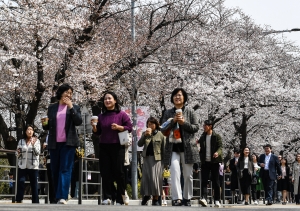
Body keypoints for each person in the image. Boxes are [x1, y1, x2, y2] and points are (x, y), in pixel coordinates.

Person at [42, 83, 82, 204]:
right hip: (54, 143)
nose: (69, 95)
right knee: (54, 170)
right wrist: (45, 124)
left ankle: (62, 196)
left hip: (68, 143)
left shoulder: (75, 107)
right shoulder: (52, 108)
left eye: (71, 93)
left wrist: (71, 107)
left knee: (65, 169)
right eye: (67, 92)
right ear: (61, 93)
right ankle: (56, 196)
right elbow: (48, 127)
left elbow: (78, 121)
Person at [91, 91, 132, 205]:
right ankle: (108, 197)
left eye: (109, 98)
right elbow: (98, 132)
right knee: (105, 172)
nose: (107, 101)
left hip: (117, 146)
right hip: (104, 146)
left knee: (119, 172)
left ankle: (120, 197)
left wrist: (119, 127)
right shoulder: (101, 116)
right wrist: (94, 127)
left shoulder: (121, 114)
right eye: (105, 99)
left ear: (115, 101)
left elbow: (129, 127)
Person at [161, 88, 200, 206]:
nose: (177, 97)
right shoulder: (168, 112)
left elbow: (196, 127)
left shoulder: (190, 111)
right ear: (172, 98)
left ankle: (187, 197)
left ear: (184, 98)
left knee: (188, 174)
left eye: (180, 95)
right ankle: (176, 198)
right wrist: (173, 121)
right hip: (173, 147)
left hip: (187, 147)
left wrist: (184, 123)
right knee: (175, 172)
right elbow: (162, 128)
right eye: (175, 95)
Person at [138, 117, 165, 206]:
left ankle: (155, 198)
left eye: (152, 124)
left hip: (157, 160)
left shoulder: (161, 134)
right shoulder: (145, 133)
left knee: (155, 179)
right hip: (146, 158)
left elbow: (164, 149)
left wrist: (165, 163)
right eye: (149, 124)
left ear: (156, 125)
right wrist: (145, 135)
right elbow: (139, 144)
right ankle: (146, 195)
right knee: (146, 178)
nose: (150, 126)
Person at [198, 119, 222, 208]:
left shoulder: (216, 136)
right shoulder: (203, 136)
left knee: (216, 181)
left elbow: (220, 147)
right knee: (204, 180)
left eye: (205, 125)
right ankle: (204, 198)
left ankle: (217, 200)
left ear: (210, 126)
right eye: (204, 125)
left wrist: (217, 153)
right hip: (205, 161)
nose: (204, 127)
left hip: (214, 162)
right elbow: (199, 145)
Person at [15, 125, 41, 203]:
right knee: (21, 182)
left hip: (33, 166)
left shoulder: (37, 141)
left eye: (31, 129)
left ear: (33, 131)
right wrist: (17, 153)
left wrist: (33, 145)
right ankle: (19, 200)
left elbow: (37, 153)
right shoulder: (21, 141)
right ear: (25, 131)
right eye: (28, 129)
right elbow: (17, 154)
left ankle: (35, 202)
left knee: (34, 185)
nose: (30, 131)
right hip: (23, 165)